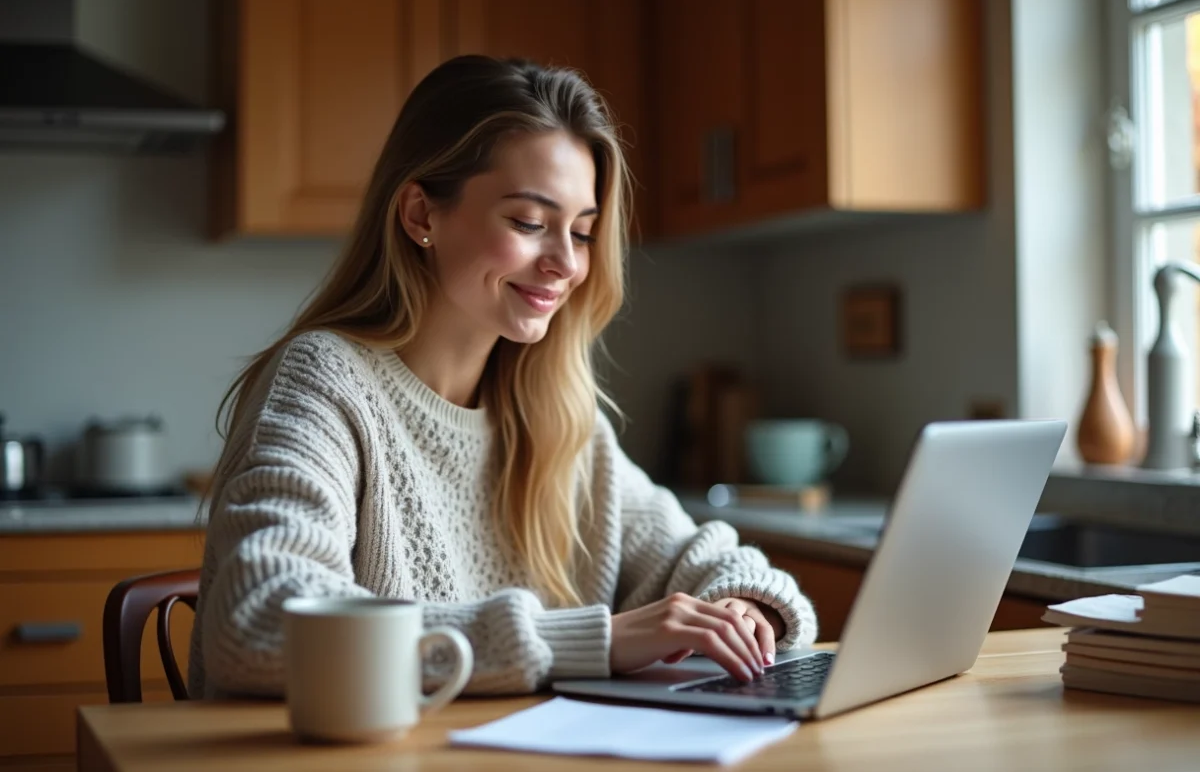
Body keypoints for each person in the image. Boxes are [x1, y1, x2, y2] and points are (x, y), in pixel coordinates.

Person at [188, 55, 817, 700]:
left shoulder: (555, 412)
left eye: (583, 230)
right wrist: (591, 643)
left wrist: (743, 608)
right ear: (420, 216)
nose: (566, 264)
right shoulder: (328, 381)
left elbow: (704, 556)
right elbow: (258, 621)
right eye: (528, 223)